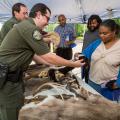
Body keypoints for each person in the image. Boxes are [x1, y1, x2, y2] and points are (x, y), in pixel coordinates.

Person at [0, 3, 85, 120]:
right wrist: (73, 64)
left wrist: (51, 64)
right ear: (39, 15)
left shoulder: (26, 26)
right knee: (10, 112)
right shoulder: (29, 28)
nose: (48, 22)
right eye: (48, 18)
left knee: (17, 109)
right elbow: (48, 55)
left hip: (13, 79)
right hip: (8, 81)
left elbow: (35, 55)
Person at [82, 19, 120, 101]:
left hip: (109, 87)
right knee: (91, 108)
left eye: (105, 33)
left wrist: (117, 84)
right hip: (92, 82)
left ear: (114, 31)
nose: (101, 36)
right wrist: (79, 56)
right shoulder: (97, 43)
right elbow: (84, 54)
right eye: (100, 33)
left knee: (108, 111)